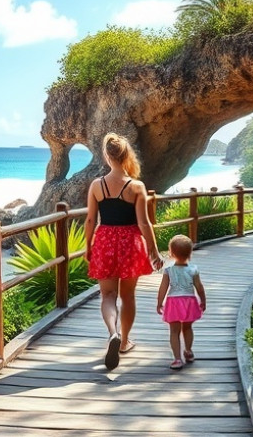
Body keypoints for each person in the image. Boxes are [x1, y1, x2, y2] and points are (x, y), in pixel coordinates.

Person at [85, 133, 164, 370]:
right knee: (128, 296)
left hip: (105, 240)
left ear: (107, 156)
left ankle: (113, 333)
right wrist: (154, 251)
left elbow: (90, 220)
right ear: (126, 155)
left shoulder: (97, 185)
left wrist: (87, 247)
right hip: (131, 242)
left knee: (107, 296)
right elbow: (144, 223)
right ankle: (125, 341)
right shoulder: (136, 186)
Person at [156, 234, 207, 370]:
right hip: (189, 301)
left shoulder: (169, 271)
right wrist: (203, 301)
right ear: (190, 253)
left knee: (174, 331)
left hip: (173, 302)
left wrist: (159, 302)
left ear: (171, 253)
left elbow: (163, 288)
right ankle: (188, 351)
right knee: (187, 328)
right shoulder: (193, 270)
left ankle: (177, 359)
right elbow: (199, 287)